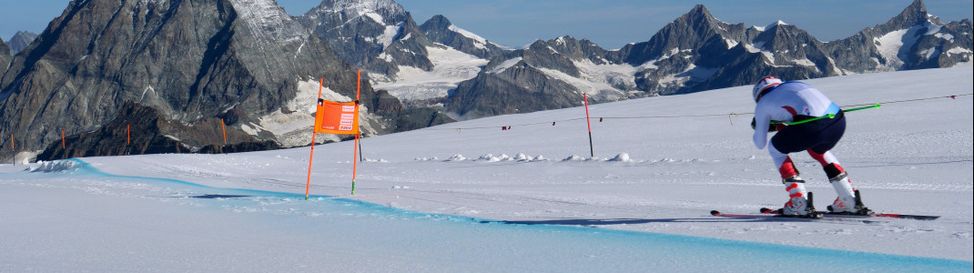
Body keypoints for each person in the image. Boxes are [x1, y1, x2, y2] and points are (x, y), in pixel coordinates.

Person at [751, 76, 872, 216]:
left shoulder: (763, 103)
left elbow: (760, 143)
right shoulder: (795, 83)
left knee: (775, 149)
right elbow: (801, 108)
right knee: (818, 150)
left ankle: (799, 201)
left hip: (812, 126)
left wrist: (762, 125)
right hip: (837, 121)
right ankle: (849, 199)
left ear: (759, 96)